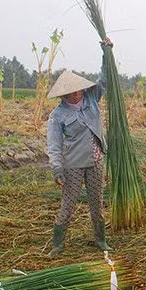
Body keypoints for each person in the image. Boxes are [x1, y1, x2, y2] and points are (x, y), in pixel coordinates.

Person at [46, 38, 114, 257]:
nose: (77, 95)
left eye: (78, 91)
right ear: (63, 95)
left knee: (97, 203)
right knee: (68, 204)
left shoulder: (91, 98)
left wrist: (106, 53)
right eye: (72, 93)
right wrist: (57, 169)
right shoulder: (58, 115)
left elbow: (105, 79)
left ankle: (100, 239)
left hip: (96, 161)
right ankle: (58, 244)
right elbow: (54, 145)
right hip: (73, 165)